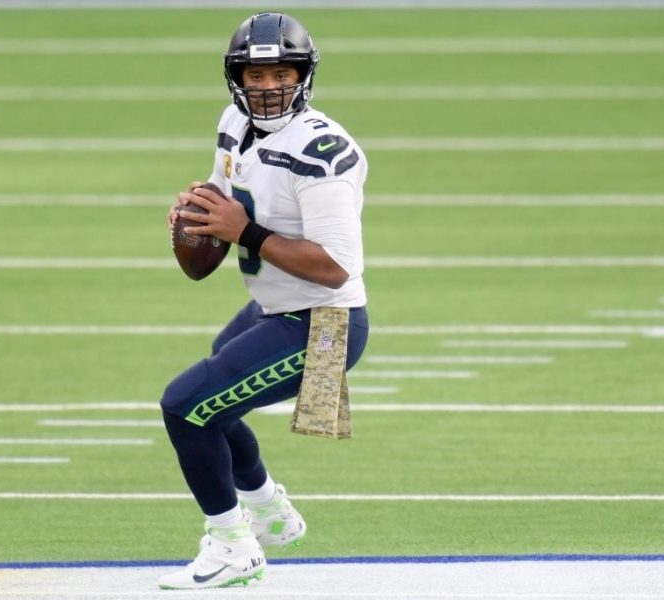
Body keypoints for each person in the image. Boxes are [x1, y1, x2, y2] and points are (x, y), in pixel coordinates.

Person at [157, 12, 370, 590]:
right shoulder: (234, 122)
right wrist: (199, 208)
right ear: (237, 80)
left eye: (282, 73)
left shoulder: (323, 152)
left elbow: (334, 269)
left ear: (303, 76)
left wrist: (242, 232)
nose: (269, 86)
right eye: (256, 75)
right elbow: (226, 194)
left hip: (327, 325)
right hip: (277, 309)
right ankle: (269, 513)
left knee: (186, 406)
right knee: (213, 395)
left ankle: (234, 545)